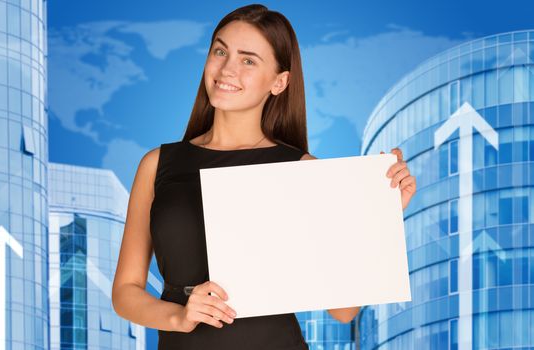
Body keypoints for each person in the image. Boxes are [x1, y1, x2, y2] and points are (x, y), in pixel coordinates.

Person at [111, 3, 417, 349]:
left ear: (279, 82)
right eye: (220, 51)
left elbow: (343, 310)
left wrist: (383, 216)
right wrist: (179, 317)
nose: (227, 68)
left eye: (248, 60)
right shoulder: (157, 164)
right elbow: (125, 292)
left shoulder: (303, 171)